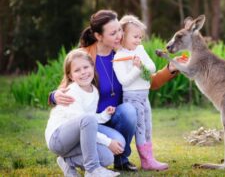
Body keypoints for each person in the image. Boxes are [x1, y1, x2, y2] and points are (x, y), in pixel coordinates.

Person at [49, 9, 178, 172]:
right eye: (113, 33)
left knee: (129, 111)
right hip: (92, 121)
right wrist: (54, 96)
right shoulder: (85, 56)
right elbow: (68, 85)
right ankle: (74, 158)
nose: (119, 35)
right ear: (98, 36)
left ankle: (121, 160)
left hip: (114, 115)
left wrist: (169, 69)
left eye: (120, 30)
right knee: (110, 147)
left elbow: (148, 82)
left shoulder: (124, 52)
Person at [45, 49, 120, 177]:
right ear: (70, 76)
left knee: (107, 157)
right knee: (89, 121)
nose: (83, 72)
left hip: (76, 140)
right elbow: (85, 120)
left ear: (92, 66)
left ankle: (67, 161)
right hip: (58, 139)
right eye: (77, 70)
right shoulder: (73, 92)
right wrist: (108, 142)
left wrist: (104, 115)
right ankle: (92, 169)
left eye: (86, 67)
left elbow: (88, 122)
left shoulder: (94, 92)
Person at [113, 14, 168, 171]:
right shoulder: (119, 57)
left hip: (145, 96)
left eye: (140, 37)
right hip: (132, 97)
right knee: (140, 128)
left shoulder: (140, 50)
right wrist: (137, 68)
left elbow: (152, 68)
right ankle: (146, 160)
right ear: (122, 35)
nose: (138, 40)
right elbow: (124, 81)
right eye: (135, 37)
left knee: (148, 126)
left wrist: (140, 64)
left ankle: (149, 159)